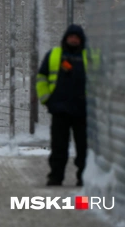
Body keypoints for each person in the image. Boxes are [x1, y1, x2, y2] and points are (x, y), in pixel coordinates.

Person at [36, 24, 89, 187]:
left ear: (81, 39)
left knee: (84, 148)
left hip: (83, 111)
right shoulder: (54, 55)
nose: (73, 39)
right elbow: (41, 78)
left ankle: (84, 177)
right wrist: (46, 99)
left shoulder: (91, 57)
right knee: (59, 147)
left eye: (76, 37)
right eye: (71, 36)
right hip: (60, 110)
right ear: (66, 38)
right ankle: (56, 177)